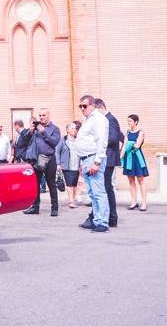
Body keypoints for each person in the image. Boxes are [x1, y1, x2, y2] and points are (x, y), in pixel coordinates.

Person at [75, 95, 110, 232]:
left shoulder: (98, 119)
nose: (82, 109)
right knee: (92, 193)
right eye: (80, 106)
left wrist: (96, 162)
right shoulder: (89, 119)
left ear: (92, 105)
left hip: (93, 158)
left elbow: (101, 142)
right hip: (86, 159)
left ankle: (103, 222)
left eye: (84, 106)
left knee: (99, 191)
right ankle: (97, 220)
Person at [23, 109, 61, 216]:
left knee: (51, 184)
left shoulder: (55, 128)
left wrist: (44, 132)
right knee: (36, 184)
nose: (41, 117)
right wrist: (29, 132)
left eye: (43, 115)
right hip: (36, 159)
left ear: (48, 115)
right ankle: (35, 207)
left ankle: (54, 208)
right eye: (39, 115)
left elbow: (55, 142)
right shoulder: (34, 129)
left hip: (49, 159)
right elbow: (24, 142)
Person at [94, 99, 123, 227]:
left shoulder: (110, 119)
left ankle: (111, 217)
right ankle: (109, 216)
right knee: (105, 188)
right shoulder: (106, 119)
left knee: (106, 188)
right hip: (106, 157)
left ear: (101, 108)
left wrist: (96, 140)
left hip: (109, 158)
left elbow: (114, 138)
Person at [122, 114, 149, 211]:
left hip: (137, 158)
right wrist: (121, 157)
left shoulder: (141, 132)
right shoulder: (127, 132)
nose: (129, 123)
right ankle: (134, 202)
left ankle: (144, 203)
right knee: (131, 181)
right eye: (128, 121)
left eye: (130, 121)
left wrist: (129, 144)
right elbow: (125, 145)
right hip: (128, 158)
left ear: (136, 122)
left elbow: (136, 145)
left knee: (141, 180)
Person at [56, 121, 81, 208]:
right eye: (72, 128)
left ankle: (72, 200)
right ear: (67, 130)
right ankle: (71, 201)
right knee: (69, 184)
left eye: (75, 128)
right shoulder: (63, 140)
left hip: (76, 165)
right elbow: (57, 151)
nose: (74, 130)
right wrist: (58, 163)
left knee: (74, 184)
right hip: (66, 165)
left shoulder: (78, 139)